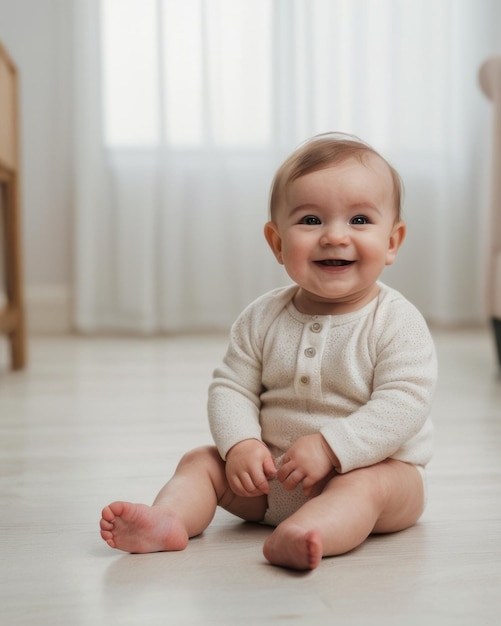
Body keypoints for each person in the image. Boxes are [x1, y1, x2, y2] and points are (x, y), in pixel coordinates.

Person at [99, 132, 437, 571]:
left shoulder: (397, 322)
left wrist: (333, 449)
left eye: (359, 220)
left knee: (369, 486)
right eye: (311, 220)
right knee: (201, 461)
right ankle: (168, 520)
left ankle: (308, 532)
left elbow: (404, 404)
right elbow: (230, 388)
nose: (335, 236)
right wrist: (240, 444)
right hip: (268, 479)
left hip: (368, 472)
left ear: (393, 241)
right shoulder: (261, 317)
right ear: (277, 243)